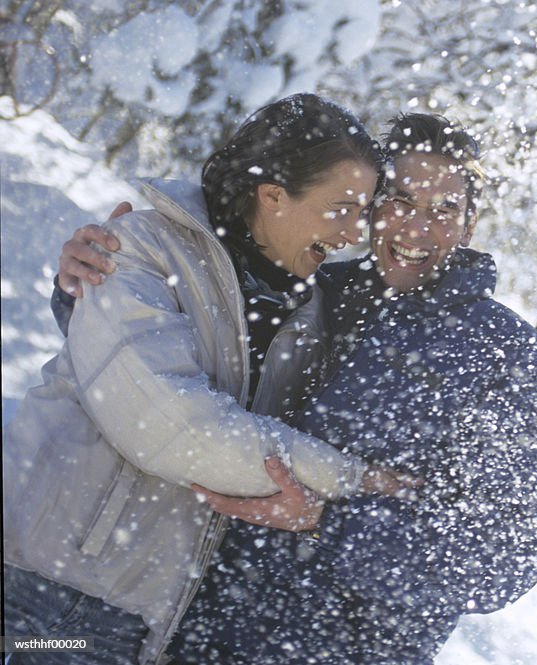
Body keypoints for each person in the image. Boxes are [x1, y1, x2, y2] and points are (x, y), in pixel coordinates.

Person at [52, 113, 537, 663]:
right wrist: (90, 279)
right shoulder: (310, 293)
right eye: (398, 200)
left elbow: (509, 555)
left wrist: (329, 522)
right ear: (370, 206)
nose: (416, 229)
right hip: (192, 632)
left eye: (444, 210)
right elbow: (163, 369)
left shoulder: (506, 359)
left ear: (470, 225)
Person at [2, 94, 412, 665]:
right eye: (341, 207)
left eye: (363, 212)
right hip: (34, 590)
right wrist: (354, 481)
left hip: (136, 622)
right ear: (272, 195)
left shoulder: (310, 319)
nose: (353, 233)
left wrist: (318, 509)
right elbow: (176, 428)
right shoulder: (141, 245)